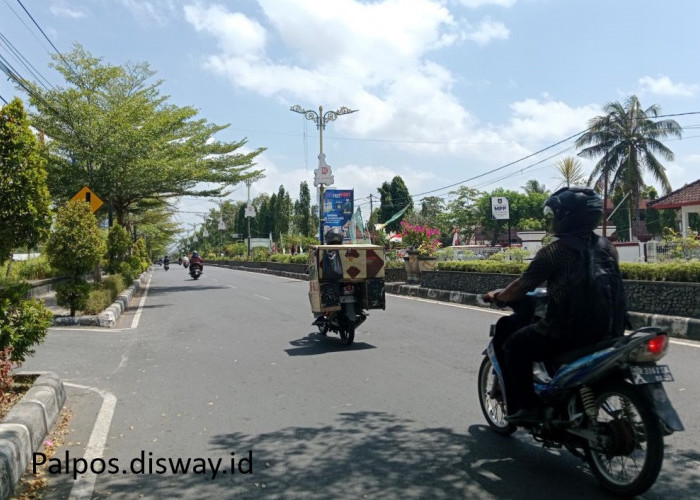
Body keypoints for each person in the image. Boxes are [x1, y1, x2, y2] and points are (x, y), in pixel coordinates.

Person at [484, 187, 624, 425]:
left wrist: (498, 296)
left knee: (514, 346)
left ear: (566, 216)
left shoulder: (556, 251)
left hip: (565, 333)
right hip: (610, 330)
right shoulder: (608, 248)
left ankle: (528, 407)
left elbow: (522, 286)